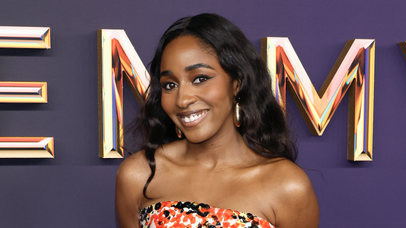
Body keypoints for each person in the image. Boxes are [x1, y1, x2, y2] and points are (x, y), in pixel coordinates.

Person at [116, 13, 319, 228]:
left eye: (200, 79)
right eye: (170, 84)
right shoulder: (139, 175)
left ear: (237, 82)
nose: (182, 99)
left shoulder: (288, 186)